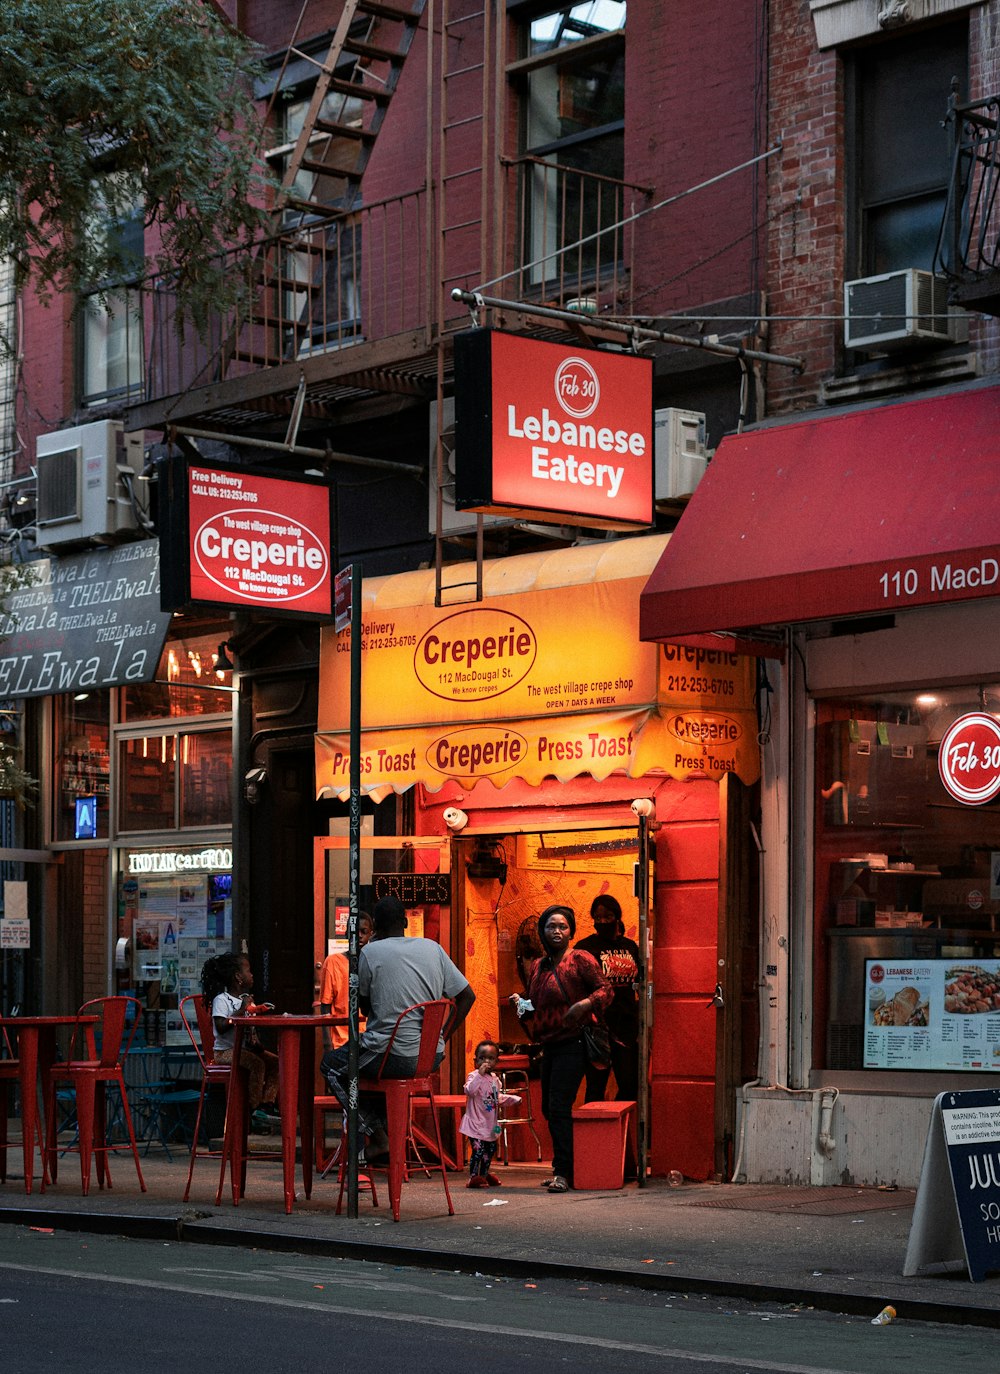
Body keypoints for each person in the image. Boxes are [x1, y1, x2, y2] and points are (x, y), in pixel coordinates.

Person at [321, 894, 475, 1163]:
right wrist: (443, 1036)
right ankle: (386, 1135)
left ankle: (380, 1137)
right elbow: (467, 996)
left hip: (390, 1055)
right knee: (370, 1072)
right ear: (405, 922)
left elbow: (366, 1009)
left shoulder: (369, 952)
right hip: (429, 1057)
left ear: (376, 928)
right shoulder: (434, 949)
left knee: (332, 1066)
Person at [510, 904, 612, 1193]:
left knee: (558, 1105)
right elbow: (533, 1007)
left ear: (571, 932)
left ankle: (564, 1172)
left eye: (562, 926)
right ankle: (565, 1166)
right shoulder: (538, 966)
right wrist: (519, 1004)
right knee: (549, 1108)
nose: (556, 931)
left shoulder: (579, 959)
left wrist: (585, 1004)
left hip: (575, 1041)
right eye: (551, 926)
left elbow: (606, 989)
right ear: (542, 931)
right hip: (549, 1044)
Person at [574, 894, 641, 1103]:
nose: (603, 922)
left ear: (617, 917)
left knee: (630, 1085)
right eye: (598, 917)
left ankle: (618, 1129)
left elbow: (642, 981)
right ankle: (595, 1133)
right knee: (596, 1086)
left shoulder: (630, 947)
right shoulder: (584, 947)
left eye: (608, 916)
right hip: (598, 1026)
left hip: (627, 1023)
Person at [200, 952, 279, 1119]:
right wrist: (242, 1009)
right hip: (225, 1052)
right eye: (248, 971)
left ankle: (267, 1104)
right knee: (257, 1064)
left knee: (276, 1063)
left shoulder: (248, 1001)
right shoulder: (222, 1000)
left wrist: (255, 1042)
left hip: (243, 1050)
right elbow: (221, 1026)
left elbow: (250, 1030)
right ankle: (253, 1108)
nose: (252, 975)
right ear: (238, 977)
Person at [460, 1038, 520, 1189]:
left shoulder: (495, 1080)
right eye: (482, 1058)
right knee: (478, 1150)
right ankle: (473, 1177)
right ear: (476, 1061)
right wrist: (479, 1075)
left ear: (496, 1062)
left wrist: (511, 1099)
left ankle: (484, 1173)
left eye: (491, 1058)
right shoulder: (474, 1076)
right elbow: (470, 1091)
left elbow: (496, 1098)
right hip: (475, 1123)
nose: (486, 1061)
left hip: (490, 1124)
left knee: (489, 1151)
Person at [317, 911, 374, 1051]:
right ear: (346, 934)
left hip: (369, 1039)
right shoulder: (333, 962)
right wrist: (326, 1042)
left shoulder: (373, 963)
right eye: (354, 931)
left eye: (363, 931)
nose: (359, 935)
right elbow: (325, 1006)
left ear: (370, 934)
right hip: (341, 1041)